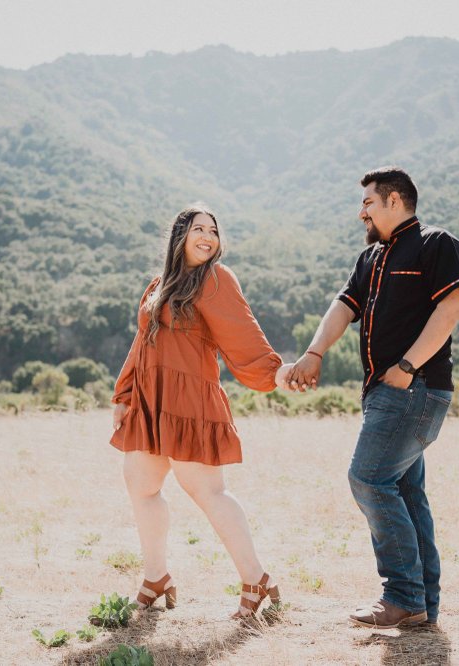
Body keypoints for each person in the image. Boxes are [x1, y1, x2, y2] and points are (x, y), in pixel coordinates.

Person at [286, 166, 459, 629]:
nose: (361, 212)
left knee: (367, 479)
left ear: (394, 200)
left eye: (368, 202)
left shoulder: (436, 243)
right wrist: (313, 353)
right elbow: (343, 306)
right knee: (406, 492)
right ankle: (422, 606)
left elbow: (450, 309)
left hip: (415, 388)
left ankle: (402, 595)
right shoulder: (371, 258)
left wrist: (406, 368)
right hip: (384, 394)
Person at [110, 204, 289, 619]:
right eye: (199, 229)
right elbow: (142, 340)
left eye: (213, 230)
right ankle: (156, 577)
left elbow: (244, 332)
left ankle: (256, 578)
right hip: (152, 401)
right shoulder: (160, 284)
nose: (208, 237)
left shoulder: (215, 279)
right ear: (181, 236)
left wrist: (277, 373)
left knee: (208, 492)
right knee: (140, 485)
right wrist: (124, 394)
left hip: (190, 403)